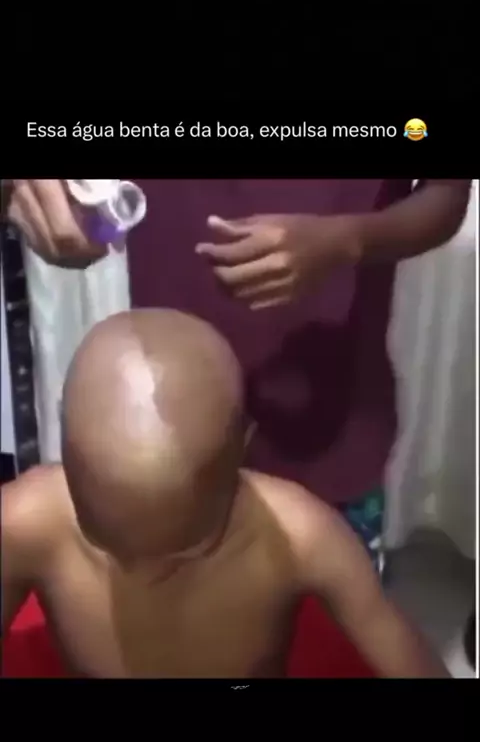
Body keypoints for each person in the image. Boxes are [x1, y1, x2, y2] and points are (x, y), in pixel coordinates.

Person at [4, 178, 472, 570]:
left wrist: (347, 240)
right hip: (172, 432)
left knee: (331, 622)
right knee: (175, 622)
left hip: (333, 423)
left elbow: (447, 194)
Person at [1, 309, 449, 678]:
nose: (148, 574)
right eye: (104, 543)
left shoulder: (300, 536)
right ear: (63, 447)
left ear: (242, 450)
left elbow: (396, 645)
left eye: (186, 550)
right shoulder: (25, 521)